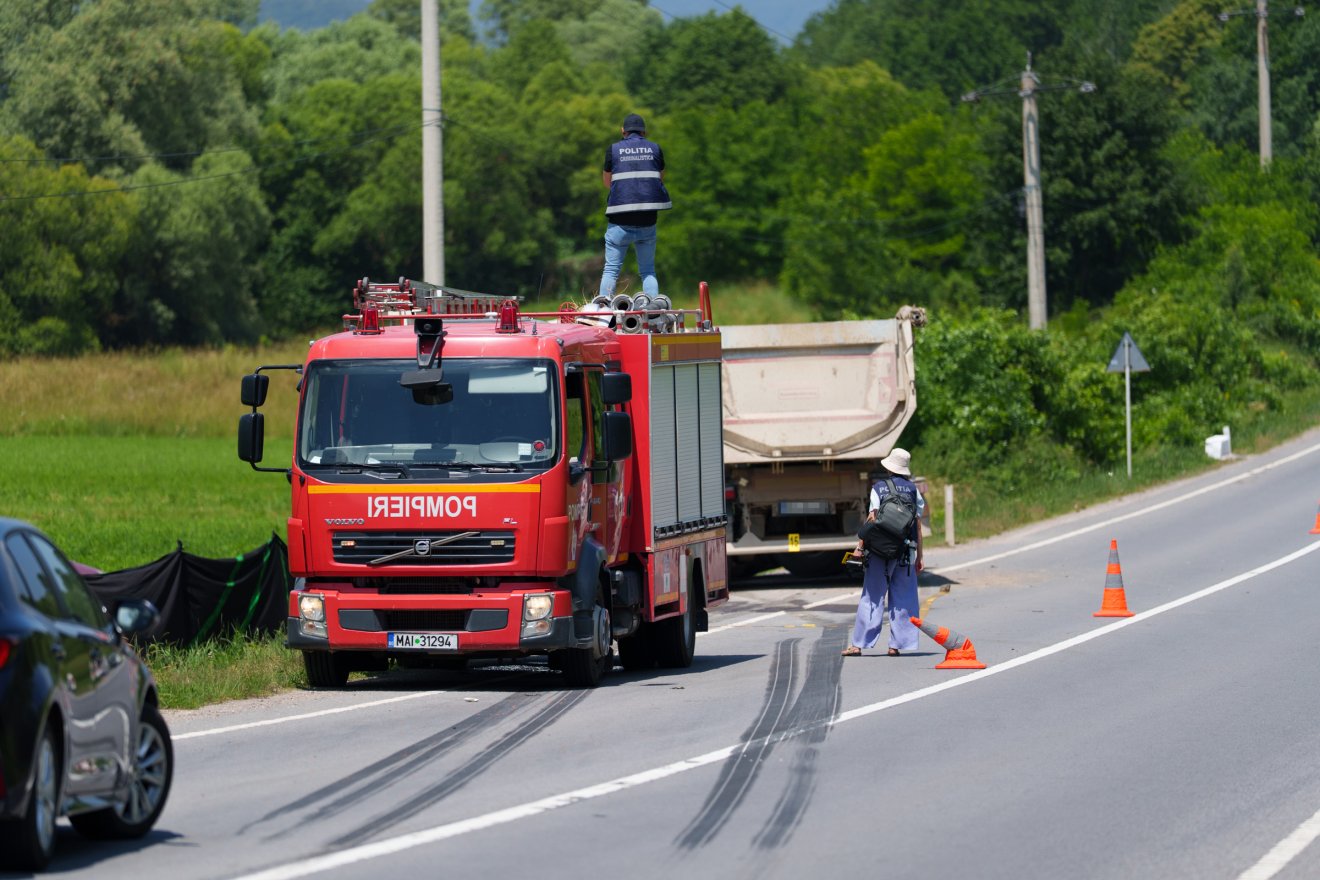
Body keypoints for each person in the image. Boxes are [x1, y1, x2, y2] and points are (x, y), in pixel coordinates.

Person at [842, 447, 925, 657]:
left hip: (879, 550)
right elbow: (918, 525)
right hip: (906, 550)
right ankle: (896, 645)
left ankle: (858, 644)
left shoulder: (879, 488)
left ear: (889, 468)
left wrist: (860, 547)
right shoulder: (913, 490)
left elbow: (872, 519)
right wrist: (920, 556)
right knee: (904, 597)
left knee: (872, 595)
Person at [598, 113, 672, 300]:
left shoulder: (613, 150)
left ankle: (603, 313)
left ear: (623, 131)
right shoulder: (655, 149)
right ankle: (654, 312)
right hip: (647, 221)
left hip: (619, 222)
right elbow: (659, 178)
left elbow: (607, 182)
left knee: (611, 270)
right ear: (644, 132)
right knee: (647, 271)